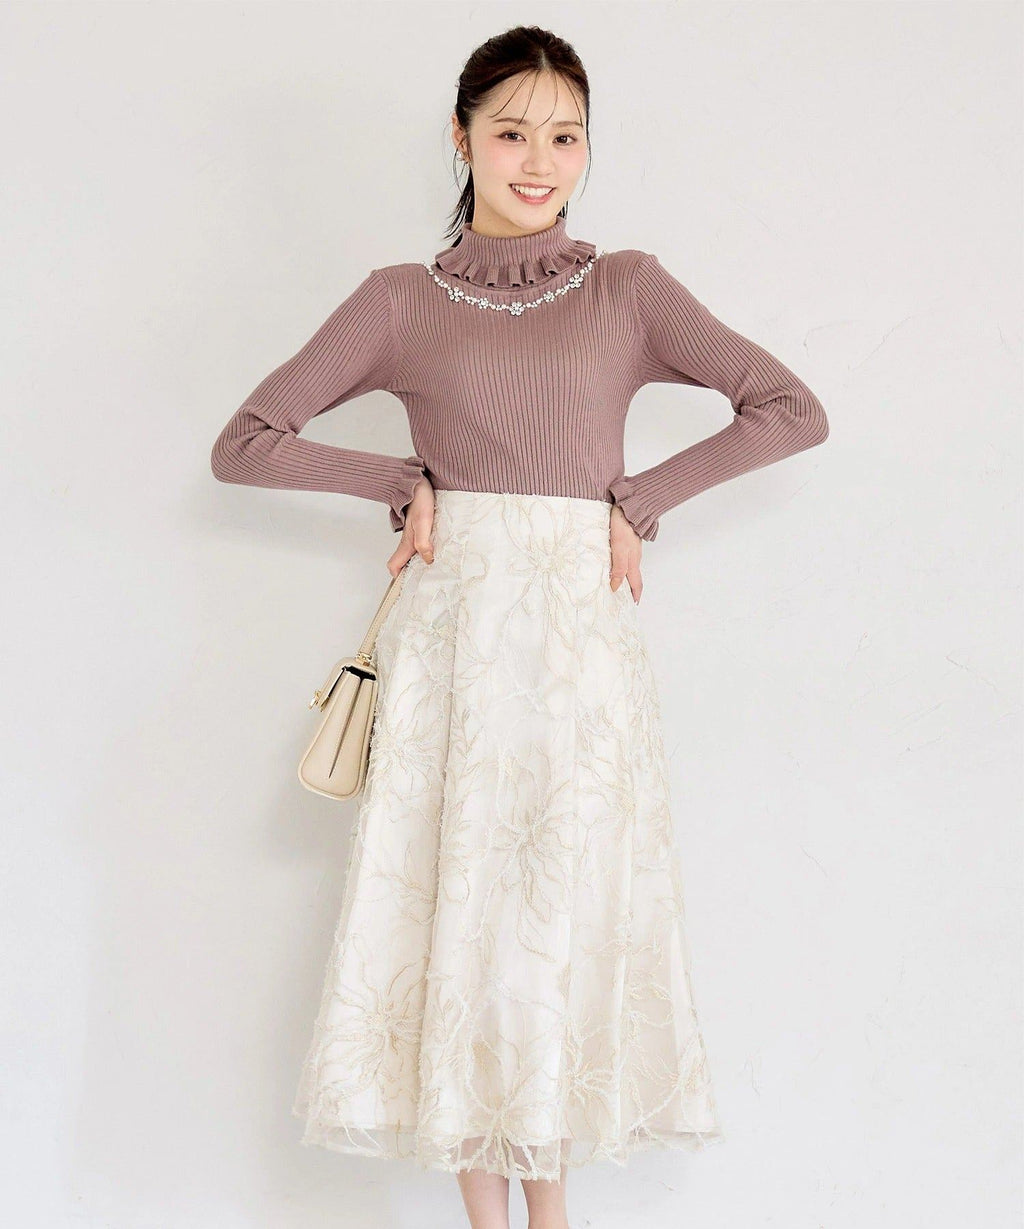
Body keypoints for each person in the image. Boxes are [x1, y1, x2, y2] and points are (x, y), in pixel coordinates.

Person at [210, 25, 828, 1229]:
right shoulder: (398, 301)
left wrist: (641, 500)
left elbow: (788, 407)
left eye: (564, 135)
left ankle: (550, 1216)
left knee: (557, 914)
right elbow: (246, 443)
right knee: (464, 908)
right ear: (461, 139)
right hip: (454, 644)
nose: (539, 160)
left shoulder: (627, 288)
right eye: (510, 133)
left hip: (578, 650)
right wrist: (400, 479)